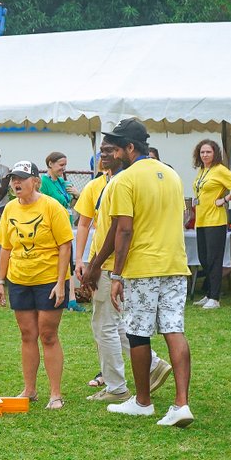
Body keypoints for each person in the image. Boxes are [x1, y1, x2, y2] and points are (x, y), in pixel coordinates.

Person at [90, 119, 194, 428]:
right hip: (175, 264)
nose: (113, 153)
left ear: (130, 148)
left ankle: (143, 401)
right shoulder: (173, 175)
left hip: (142, 268)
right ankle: (181, 404)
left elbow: (124, 230)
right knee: (174, 329)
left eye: (117, 147)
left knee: (137, 334)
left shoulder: (124, 180)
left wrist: (116, 275)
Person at [76, 140, 173, 403]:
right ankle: (152, 364)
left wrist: (96, 266)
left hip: (111, 266)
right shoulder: (106, 183)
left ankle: (116, 387)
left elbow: (118, 231)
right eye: (103, 151)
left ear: (125, 153)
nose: (105, 155)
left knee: (104, 325)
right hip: (110, 264)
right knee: (118, 323)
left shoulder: (123, 182)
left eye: (112, 151)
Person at [0, 161, 74, 408]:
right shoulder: (9, 209)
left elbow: (65, 246)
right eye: (13, 179)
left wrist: (61, 283)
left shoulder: (52, 207)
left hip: (48, 279)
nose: (16, 183)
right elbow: (5, 247)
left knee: (48, 335)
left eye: (22, 178)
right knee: (27, 334)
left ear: (35, 182)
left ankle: (55, 394)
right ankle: (29, 389)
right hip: (19, 279)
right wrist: (0, 282)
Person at [187, 139, 231, 309]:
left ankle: (215, 298)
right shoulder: (203, 170)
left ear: (215, 153)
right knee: (204, 258)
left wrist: (224, 199)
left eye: (208, 152)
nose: (205, 155)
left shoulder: (220, 170)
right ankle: (209, 293)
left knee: (214, 259)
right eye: (202, 152)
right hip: (201, 220)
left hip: (215, 220)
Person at [40, 151, 78, 216]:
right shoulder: (43, 182)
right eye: (61, 165)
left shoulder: (61, 181)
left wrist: (76, 196)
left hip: (67, 220)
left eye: (65, 165)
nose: (64, 168)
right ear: (50, 164)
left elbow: (68, 205)